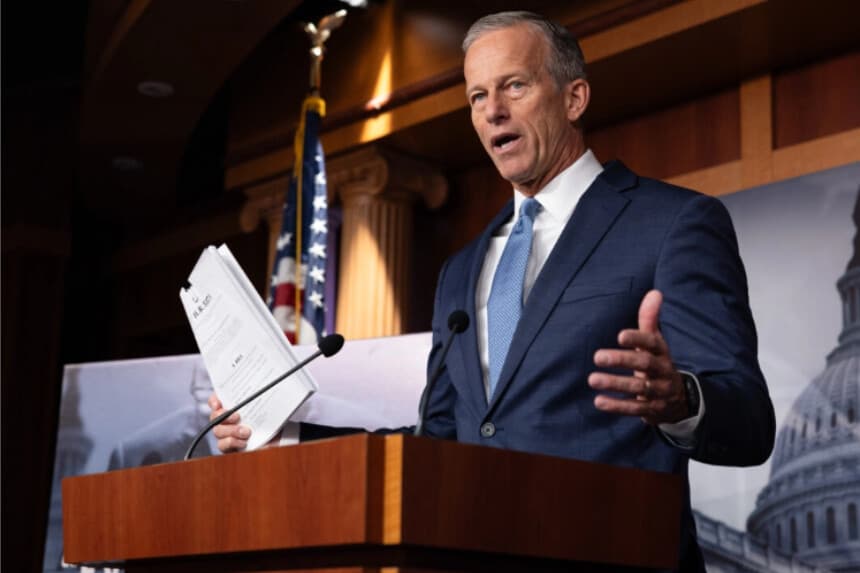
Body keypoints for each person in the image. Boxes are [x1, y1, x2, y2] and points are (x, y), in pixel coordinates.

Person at [209, 11, 775, 570]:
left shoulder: (672, 223)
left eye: (515, 86)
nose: (492, 111)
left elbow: (750, 422)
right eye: (477, 96)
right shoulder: (461, 270)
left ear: (574, 99)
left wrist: (681, 401)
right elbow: (437, 439)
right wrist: (286, 437)